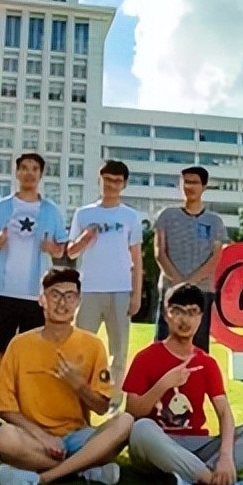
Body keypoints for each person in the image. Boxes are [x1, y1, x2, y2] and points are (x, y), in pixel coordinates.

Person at [124, 284, 243, 485]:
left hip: (196, 445)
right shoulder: (146, 357)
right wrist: (164, 384)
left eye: (192, 312)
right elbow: (132, 411)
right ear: (166, 314)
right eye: (178, 311)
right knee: (140, 429)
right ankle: (216, 483)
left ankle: (190, 481)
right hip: (157, 446)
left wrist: (225, 457)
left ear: (201, 317)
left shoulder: (206, 363)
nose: (185, 319)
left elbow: (224, 413)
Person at [0, 268, 133, 485]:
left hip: (77, 437)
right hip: (33, 438)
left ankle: (44, 476)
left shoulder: (94, 345)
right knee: (3, 438)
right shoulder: (19, 345)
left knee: (125, 422)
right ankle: (84, 467)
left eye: (69, 296)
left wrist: (78, 385)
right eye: (55, 295)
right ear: (42, 299)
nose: (62, 302)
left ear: (78, 301)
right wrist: (42, 437)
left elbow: (103, 407)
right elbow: (3, 407)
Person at [0, 151, 68, 386]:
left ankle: (29, 407)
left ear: (40, 175)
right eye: (25, 168)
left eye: (34, 169)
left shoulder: (51, 210)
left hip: (37, 294)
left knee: (35, 352)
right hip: (2, 290)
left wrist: (51, 247)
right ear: (17, 172)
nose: (29, 173)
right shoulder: (1, 207)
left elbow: (60, 250)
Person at [67, 160, 143, 396]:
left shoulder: (130, 216)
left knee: (118, 351)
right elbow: (71, 251)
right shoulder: (84, 213)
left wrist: (136, 295)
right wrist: (85, 237)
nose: (112, 184)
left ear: (124, 184)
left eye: (117, 180)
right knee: (80, 347)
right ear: (99, 180)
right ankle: (78, 395)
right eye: (108, 179)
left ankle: (112, 400)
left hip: (120, 290)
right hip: (89, 289)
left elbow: (137, 258)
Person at [154, 166, 227, 352]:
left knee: (198, 345)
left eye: (194, 182)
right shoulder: (166, 216)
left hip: (201, 291)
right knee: (164, 343)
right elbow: (159, 252)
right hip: (171, 289)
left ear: (204, 186)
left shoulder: (214, 221)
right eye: (185, 182)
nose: (189, 187)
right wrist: (179, 284)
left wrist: (191, 284)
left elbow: (216, 256)